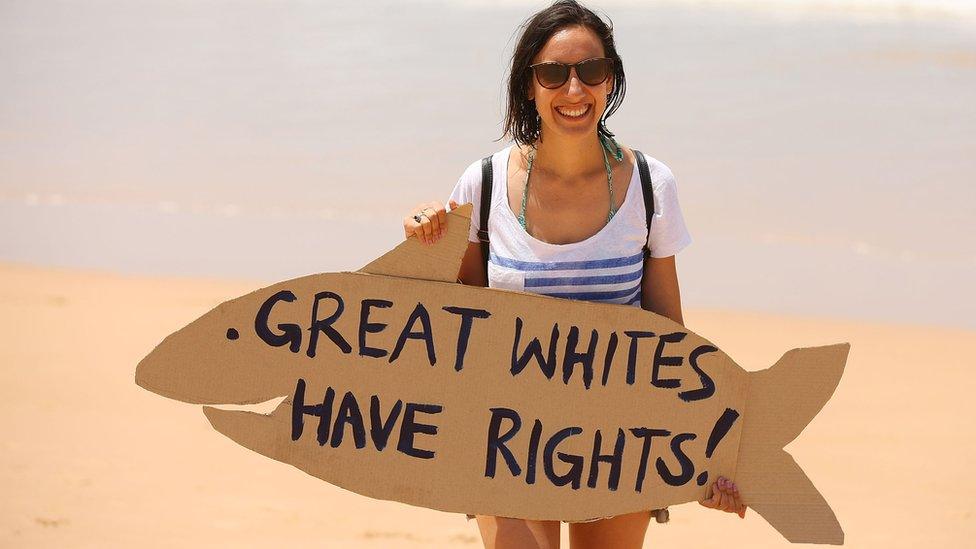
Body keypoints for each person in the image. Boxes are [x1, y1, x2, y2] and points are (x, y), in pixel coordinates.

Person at [402, 1, 745, 547]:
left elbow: (671, 336)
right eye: (553, 73)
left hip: (621, 438)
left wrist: (712, 450)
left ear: (611, 79)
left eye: (591, 70)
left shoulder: (650, 185)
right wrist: (427, 242)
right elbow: (454, 322)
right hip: (505, 435)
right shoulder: (483, 185)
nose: (574, 90)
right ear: (529, 85)